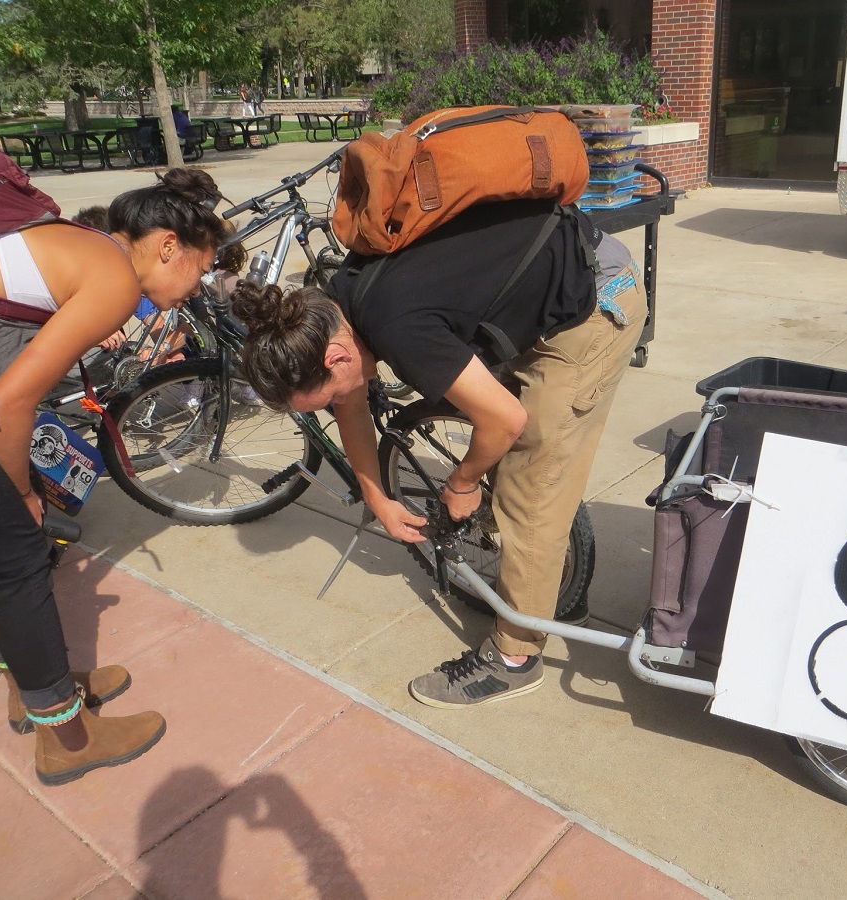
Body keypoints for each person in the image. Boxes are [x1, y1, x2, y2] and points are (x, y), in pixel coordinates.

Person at [233, 199, 646, 708]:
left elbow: (505, 421)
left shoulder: (396, 326)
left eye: (328, 396)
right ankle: (556, 592)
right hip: (545, 283)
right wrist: (377, 497)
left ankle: (515, 660)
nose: (339, 405)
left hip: (596, 300)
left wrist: (461, 482)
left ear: (335, 357)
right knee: (507, 452)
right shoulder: (328, 307)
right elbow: (353, 408)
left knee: (530, 482)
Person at [0, 168, 227, 783]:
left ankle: (31, 688)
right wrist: (23, 493)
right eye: (202, 267)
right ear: (168, 246)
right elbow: (8, 406)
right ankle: (67, 740)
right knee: (19, 555)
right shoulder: (113, 278)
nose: (198, 287)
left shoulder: (78, 247)